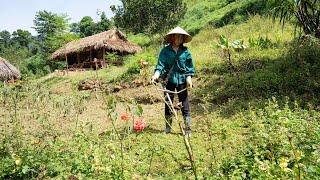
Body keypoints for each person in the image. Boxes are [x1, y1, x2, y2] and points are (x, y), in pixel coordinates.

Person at [151, 27, 195, 136]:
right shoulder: (165, 51)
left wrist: (189, 79)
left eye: (181, 36)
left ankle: (188, 128)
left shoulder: (186, 52)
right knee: (168, 105)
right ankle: (168, 127)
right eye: (177, 36)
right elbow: (160, 65)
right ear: (172, 37)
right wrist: (155, 75)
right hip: (169, 81)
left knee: (185, 105)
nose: (179, 38)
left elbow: (189, 67)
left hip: (182, 81)